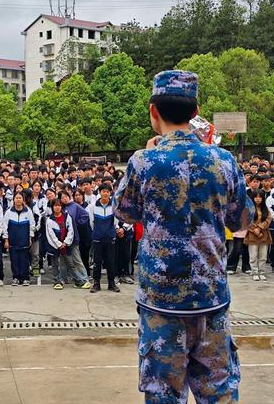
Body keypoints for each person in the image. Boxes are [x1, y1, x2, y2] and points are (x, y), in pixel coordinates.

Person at [115, 70, 254, 403]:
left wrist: (149, 156)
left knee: (163, 396)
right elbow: (243, 218)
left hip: (161, 305)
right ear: (195, 112)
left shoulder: (144, 161)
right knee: (218, 393)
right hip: (211, 299)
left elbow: (124, 211)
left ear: (153, 111)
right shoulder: (224, 161)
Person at [87, 183, 120, 293]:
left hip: (110, 237)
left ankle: (111, 283)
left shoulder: (114, 206)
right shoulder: (93, 206)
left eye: (107, 191)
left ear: (110, 193)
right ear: (100, 192)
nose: (105, 193)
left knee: (111, 261)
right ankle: (96, 284)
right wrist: (98, 232)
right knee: (97, 261)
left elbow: (115, 223)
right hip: (97, 238)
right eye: (103, 191)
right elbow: (92, 222)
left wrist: (111, 233)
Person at [3, 191, 35, 286]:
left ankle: (25, 278)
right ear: (13, 200)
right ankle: (16, 278)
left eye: (20, 198)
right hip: (13, 240)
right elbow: (5, 227)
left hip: (24, 240)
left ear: (23, 200)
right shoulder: (9, 212)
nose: (18, 200)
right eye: (16, 198)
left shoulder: (28, 211)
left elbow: (32, 226)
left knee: (24, 260)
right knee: (14, 260)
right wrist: (6, 240)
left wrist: (30, 238)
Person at [244, 189, 271, 281]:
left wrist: (259, 228)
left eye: (260, 197)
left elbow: (268, 219)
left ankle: (262, 272)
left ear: (263, 198)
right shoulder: (248, 208)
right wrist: (254, 229)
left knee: (263, 256)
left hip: (264, 234)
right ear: (253, 198)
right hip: (252, 234)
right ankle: (255, 272)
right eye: (256, 197)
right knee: (253, 255)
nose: (258, 199)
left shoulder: (266, 209)